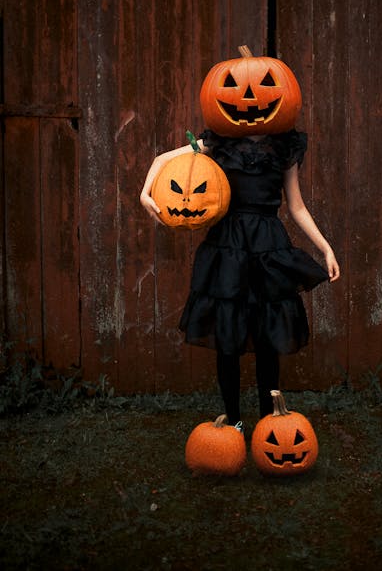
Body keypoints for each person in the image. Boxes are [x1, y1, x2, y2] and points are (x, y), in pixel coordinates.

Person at [140, 129, 340, 429]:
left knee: (268, 337)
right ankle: (233, 421)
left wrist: (326, 248)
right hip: (228, 246)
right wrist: (145, 192)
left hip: (267, 247)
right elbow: (163, 159)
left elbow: (296, 206)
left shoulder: (284, 146)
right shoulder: (220, 142)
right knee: (227, 337)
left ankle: (268, 422)